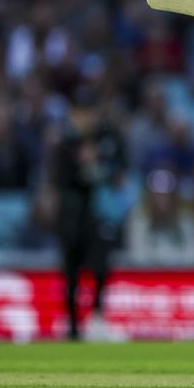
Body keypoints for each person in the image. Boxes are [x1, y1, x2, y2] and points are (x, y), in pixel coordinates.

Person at [51, 93, 127, 341]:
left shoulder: (104, 139)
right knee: (71, 274)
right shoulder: (64, 143)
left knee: (101, 267)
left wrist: (98, 167)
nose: (85, 119)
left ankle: (96, 318)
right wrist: (85, 167)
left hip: (93, 217)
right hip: (70, 218)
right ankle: (72, 327)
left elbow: (117, 173)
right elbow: (61, 180)